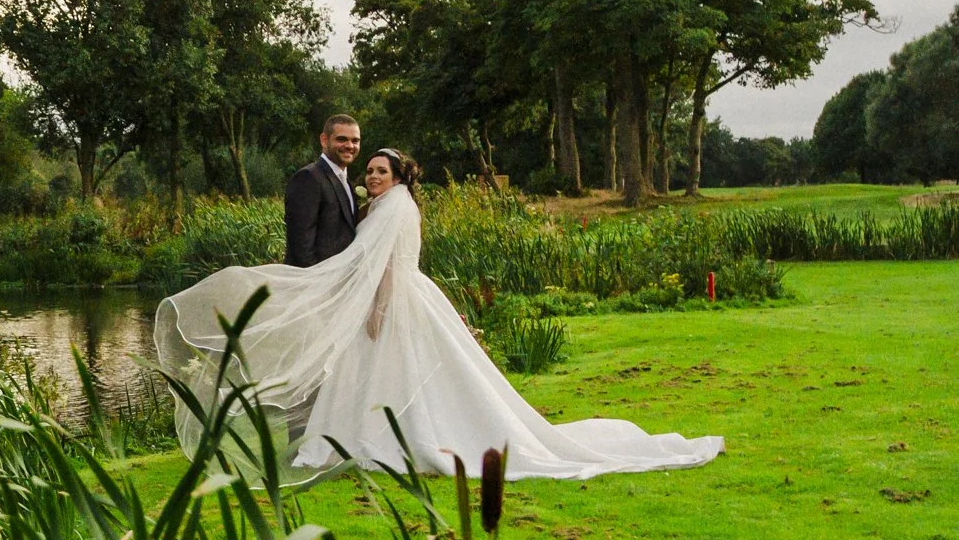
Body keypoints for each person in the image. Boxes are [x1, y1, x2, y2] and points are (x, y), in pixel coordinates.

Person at [156, 148, 721, 480]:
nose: (371, 177)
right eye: (369, 171)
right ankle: (356, 439)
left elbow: (384, 270)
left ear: (399, 178)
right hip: (405, 300)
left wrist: (374, 311)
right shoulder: (388, 206)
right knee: (391, 376)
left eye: (380, 171)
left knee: (409, 376)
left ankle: (386, 441)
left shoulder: (393, 209)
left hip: (396, 304)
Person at [284, 113, 361, 267]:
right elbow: (301, 245)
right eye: (341, 139)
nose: (350, 146)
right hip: (315, 282)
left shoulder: (346, 182)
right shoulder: (308, 178)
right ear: (324, 140)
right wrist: (317, 282)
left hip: (340, 279)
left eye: (355, 141)